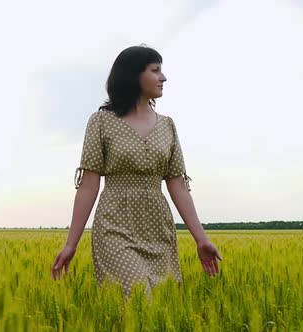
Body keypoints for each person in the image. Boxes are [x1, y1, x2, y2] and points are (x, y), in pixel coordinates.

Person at [50, 44, 222, 299]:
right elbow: (88, 186)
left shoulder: (168, 126)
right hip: (114, 226)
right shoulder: (101, 122)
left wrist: (201, 239)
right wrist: (71, 244)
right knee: (138, 296)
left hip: (158, 228)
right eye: (156, 70)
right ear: (133, 75)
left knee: (161, 306)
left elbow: (178, 185)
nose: (163, 77)